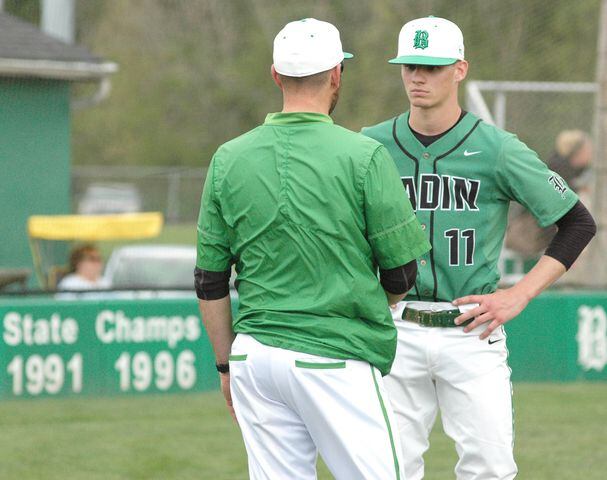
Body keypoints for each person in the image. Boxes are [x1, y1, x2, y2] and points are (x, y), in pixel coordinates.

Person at [362, 16, 596, 480]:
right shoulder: (370, 145)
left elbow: (577, 222)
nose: (417, 77)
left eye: (431, 67)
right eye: (410, 65)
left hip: (471, 330)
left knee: (489, 470)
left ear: (460, 70)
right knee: (384, 470)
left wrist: (519, 293)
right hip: (394, 328)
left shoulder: (497, 148)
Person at [195, 18, 430, 480]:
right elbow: (402, 273)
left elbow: (210, 280)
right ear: (338, 74)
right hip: (334, 355)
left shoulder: (228, 157)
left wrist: (226, 365)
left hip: (255, 358)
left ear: (276, 75)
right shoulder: (363, 155)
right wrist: (361, 303)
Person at [506, 129, 594, 256]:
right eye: (587, 150)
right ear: (577, 152)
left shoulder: (576, 172)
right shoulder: (559, 171)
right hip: (535, 231)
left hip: (548, 230)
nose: (590, 154)